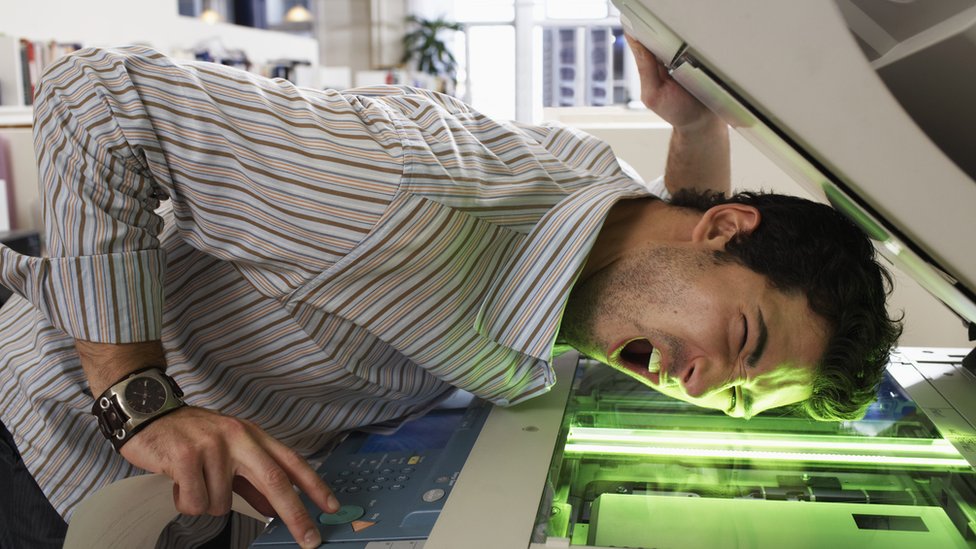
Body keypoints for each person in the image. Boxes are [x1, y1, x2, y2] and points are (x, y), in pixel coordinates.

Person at [0, 35, 900, 548]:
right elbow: (95, 99)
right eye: (741, 346)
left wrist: (697, 125)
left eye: (734, 399)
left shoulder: (610, 213)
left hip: (169, 500)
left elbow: (678, 228)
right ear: (725, 229)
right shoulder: (396, 197)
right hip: (47, 446)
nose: (700, 387)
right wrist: (139, 399)